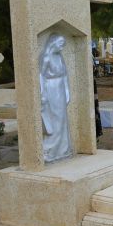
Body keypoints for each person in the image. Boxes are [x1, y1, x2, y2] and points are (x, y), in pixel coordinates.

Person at [39, 33, 72, 162]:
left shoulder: (59, 57)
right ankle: (50, 150)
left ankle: (63, 149)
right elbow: (40, 76)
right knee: (55, 119)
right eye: (60, 45)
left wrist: (67, 91)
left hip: (60, 89)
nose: (62, 48)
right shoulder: (46, 57)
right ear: (53, 43)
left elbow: (65, 75)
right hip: (51, 89)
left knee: (63, 119)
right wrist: (43, 93)